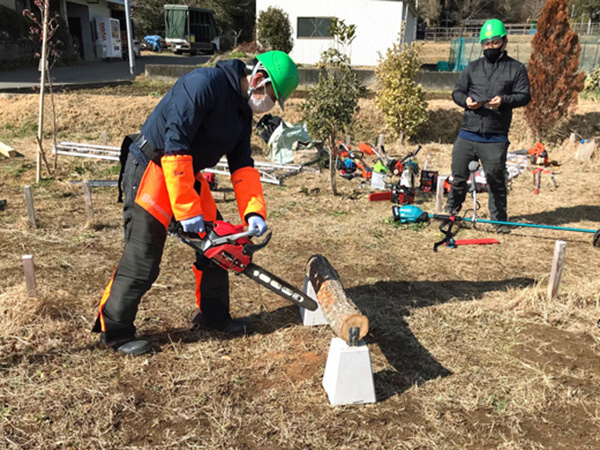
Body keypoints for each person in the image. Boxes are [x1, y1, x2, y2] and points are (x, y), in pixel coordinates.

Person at [92, 51, 300, 356]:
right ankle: (116, 330)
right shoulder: (203, 84)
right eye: (271, 95)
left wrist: (254, 210)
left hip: (184, 173)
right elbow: (176, 141)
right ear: (258, 79)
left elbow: (242, 165)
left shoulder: (242, 113)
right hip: (153, 166)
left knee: (218, 247)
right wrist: (187, 211)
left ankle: (213, 316)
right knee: (143, 257)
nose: (268, 104)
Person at [445, 19, 531, 234]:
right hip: (468, 132)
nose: (490, 47)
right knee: (458, 177)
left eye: (494, 42)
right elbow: (457, 92)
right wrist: (465, 101)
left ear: (504, 41)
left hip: (496, 135)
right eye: (486, 43)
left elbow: (524, 96)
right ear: (481, 45)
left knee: (496, 180)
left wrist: (503, 101)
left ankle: (500, 222)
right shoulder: (472, 68)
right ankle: (451, 212)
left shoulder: (516, 69)